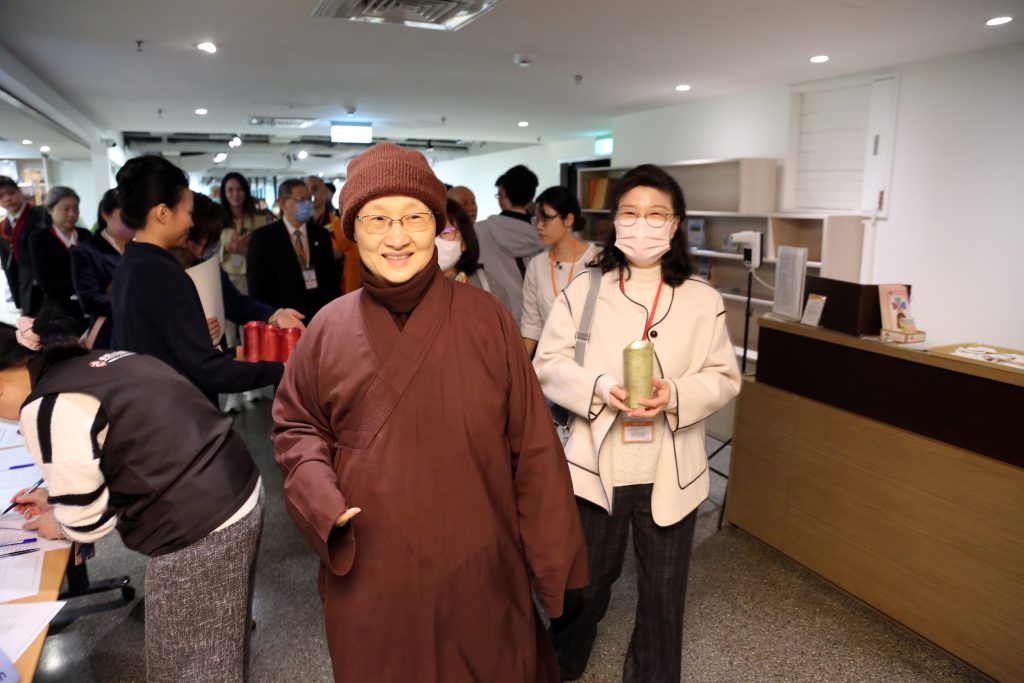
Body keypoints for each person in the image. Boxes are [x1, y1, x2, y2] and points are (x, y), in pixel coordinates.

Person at [273, 142, 588, 682]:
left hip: (478, 562)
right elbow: (296, 426)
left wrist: (555, 563)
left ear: (438, 227)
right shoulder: (327, 327)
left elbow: (534, 448)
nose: (397, 237)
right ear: (352, 229)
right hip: (371, 566)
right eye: (377, 219)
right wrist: (322, 501)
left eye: (414, 218)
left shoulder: (486, 319)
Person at [533, 164, 742, 682]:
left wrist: (677, 394)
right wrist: (600, 387)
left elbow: (723, 376)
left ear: (675, 224)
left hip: (671, 468)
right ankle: (562, 663)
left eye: (655, 214)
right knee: (584, 586)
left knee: (663, 595)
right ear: (614, 221)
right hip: (595, 467)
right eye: (630, 213)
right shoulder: (585, 289)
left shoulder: (702, 298)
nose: (641, 224)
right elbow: (548, 363)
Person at [3, 316, 263, 683]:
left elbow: (88, 523)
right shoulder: (91, 363)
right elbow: (128, 448)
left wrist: (59, 523)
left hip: (199, 526)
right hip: (235, 485)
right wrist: (59, 495)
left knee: (187, 671)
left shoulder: (44, 407)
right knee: (220, 642)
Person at [111, 155, 283, 404]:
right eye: (189, 213)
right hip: (176, 409)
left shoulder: (129, 264)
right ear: (162, 213)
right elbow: (207, 370)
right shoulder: (164, 273)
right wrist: (281, 368)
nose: (191, 222)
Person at [246, 179, 340, 322]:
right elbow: (257, 287)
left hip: (318, 317)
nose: (307, 204)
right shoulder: (263, 237)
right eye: (301, 200)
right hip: (283, 318)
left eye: (309, 199)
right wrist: (268, 318)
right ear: (284, 203)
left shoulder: (321, 235)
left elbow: (331, 280)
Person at [521, 186, 599, 357]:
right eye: (537, 219)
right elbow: (532, 325)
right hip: (552, 358)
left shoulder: (598, 259)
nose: (539, 226)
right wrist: (519, 368)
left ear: (569, 219)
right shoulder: (537, 265)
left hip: (594, 358)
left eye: (546, 219)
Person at [475, 164, 544, 322]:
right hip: (535, 318)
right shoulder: (544, 235)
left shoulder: (479, 231)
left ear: (503, 193)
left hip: (493, 315)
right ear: (531, 197)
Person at [71, 189, 136, 349]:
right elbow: (89, 300)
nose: (133, 220)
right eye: (126, 214)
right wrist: (137, 303)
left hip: (139, 328)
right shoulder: (86, 251)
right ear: (106, 215)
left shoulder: (140, 247)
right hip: (108, 331)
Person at [29, 186, 91, 333]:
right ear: (50, 210)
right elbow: (47, 283)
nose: (72, 214)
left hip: (89, 305)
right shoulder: (39, 239)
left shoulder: (85, 235)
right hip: (59, 310)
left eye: (76, 209)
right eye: (65, 209)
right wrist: (84, 286)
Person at [437, 198, 509, 305]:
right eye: (430, 233)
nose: (436, 240)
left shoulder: (484, 284)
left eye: (446, 232)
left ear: (464, 242)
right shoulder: (413, 290)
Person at [219, 172, 270, 296]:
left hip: (254, 275)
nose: (235, 194)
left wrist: (248, 251)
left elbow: (267, 251)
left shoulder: (260, 219)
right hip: (227, 277)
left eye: (239, 189)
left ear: (246, 191)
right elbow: (207, 251)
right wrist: (226, 249)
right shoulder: (217, 220)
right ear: (224, 193)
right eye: (230, 190)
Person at [0, 176, 45, 313]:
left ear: (19, 191)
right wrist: (18, 302)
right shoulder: (3, 228)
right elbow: (9, 267)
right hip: (27, 292)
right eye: (1, 196)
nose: (7, 199)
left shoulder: (42, 214)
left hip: (50, 287)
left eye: (11, 193)